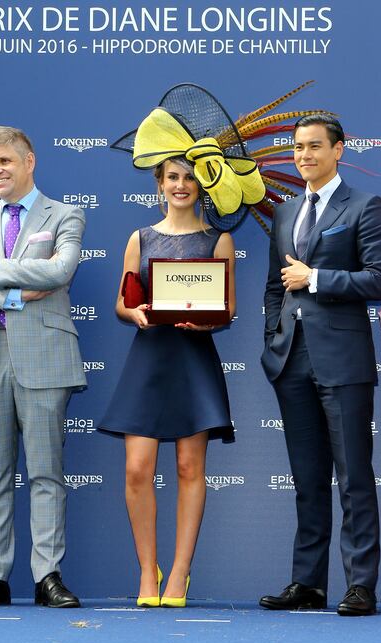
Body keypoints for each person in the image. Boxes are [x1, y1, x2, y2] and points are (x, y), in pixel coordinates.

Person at [0, 125, 86, 608]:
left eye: (4, 161)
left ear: (30, 161)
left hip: (45, 356)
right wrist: (11, 292)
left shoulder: (65, 214)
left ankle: (48, 576)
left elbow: (59, 271)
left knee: (47, 472)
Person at [260, 114, 381, 617]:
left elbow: (380, 279)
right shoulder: (286, 210)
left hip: (343, 361)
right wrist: (272, 335)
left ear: (339, 150)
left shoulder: (364, 206)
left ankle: (360, 584)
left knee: (354, 476)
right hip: (291, 359)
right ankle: (308, 582)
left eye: (315, 146)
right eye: (298, 147)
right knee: (307, 478)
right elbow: (276, 286)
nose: (304, 155)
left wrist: (316, 278)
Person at [98, 156, 236, 609]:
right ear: (159, 184)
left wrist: (209, 323)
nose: (182, 185)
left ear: (202, 186)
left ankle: (179, 573)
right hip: (150, 357)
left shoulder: (220, 240)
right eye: (173, 177)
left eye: (190, 178)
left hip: (193, 359)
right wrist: (132, 313)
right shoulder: (140, 238)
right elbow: (123, 302)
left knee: (188, 468)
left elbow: (227, 308)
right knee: (137, 468)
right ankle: (146, 571)